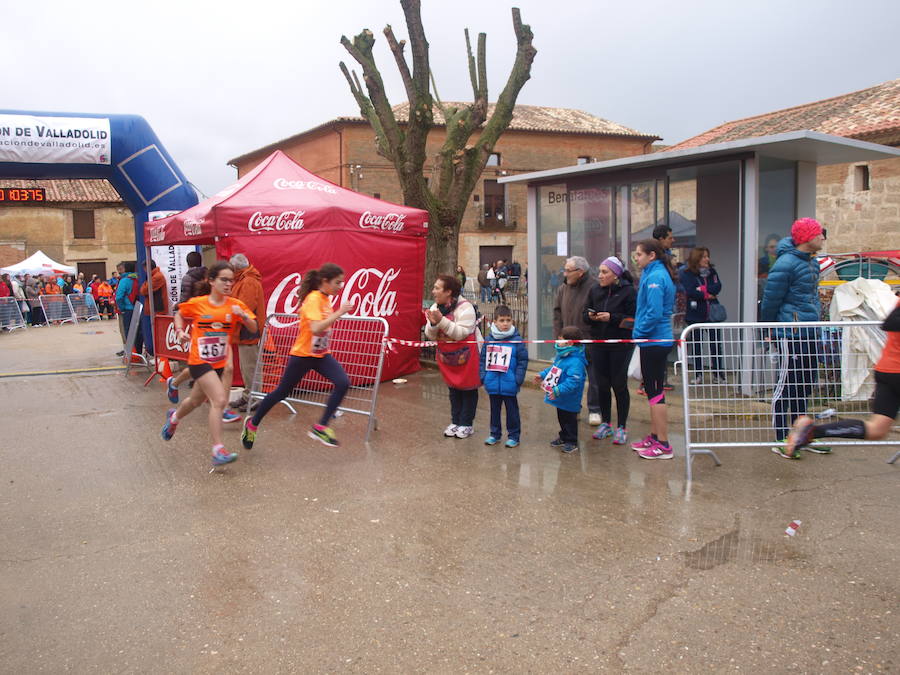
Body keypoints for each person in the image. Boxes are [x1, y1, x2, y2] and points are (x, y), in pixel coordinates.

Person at [241, 263, 353, 450]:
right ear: (325, 281)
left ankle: (321, 427)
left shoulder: (326, 299)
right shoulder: (313, 299)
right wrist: (340, 313)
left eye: (342, 283)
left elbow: (322, 329)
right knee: (281, 392)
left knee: (343, 382)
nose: (340, 287)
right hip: (302, 355)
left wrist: (335, 315)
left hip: (320, 355)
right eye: (337, 283)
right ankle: (253, 423)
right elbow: (316, 328)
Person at [161, 261, 257, 466]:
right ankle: (217, 449)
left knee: (195, 401)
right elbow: (179, 313)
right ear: (211, 281)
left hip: (218, 362)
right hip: (199, 361)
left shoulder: (235, 305)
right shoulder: (199, 303)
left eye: (231, 280)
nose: (228, 284)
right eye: (224, 280)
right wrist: (179, 331)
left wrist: (245, 319)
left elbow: (254, 325)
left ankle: (174, 418)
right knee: (219, 400)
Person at [786, 298, 900, 455]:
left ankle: (812, 431)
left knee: (877, 429)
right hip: (894, 371)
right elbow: (891, 324)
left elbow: (889, 323)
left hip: (887, 370)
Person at [761, 218, 829, 458]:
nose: (823, 236)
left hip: (809, 331)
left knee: (804, 384)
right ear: (806, 238)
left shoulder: (813, 263)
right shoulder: (786, 263)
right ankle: (781, 437)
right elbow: (771, 300)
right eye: (819, 233)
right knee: (786, 385)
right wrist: (767, 329)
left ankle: (800, 436)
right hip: (791, 333)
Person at [630, 239, 676, 460]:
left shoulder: (656, 277)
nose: (636, 258)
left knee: (656, 393)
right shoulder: (652, 273)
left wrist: (639, 332)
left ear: (652, 255)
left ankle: (664, 444)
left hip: (655, 341)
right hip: (651, 340)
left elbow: (654, 312)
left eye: (639, 254)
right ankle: (655, 436)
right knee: (651, 391)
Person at [584, 256, 637, 445]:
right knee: (602, 384)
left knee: (619, 384)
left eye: (604, 272)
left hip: (620, 345)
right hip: (598, 343)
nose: (600, 275)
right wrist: (591, 316)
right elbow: (585, 313)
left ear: (616, 275)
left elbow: (632, 320)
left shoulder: (629, 292)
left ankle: (622, 426)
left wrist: (612, 318)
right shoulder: (595, 290)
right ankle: (606, 423)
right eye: (599, 271)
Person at [424, 274, 481, 439]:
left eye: (437, 288)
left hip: (468, 357)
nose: (433, 291)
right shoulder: (436, 306)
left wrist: (440, 321)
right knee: (453, 389)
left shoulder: (466, 307)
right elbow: (429, 334)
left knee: (468, 389)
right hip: (448, 357)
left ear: (448, 292)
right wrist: (434, 324)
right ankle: (456, 421)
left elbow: (461, 333)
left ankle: (467, 424)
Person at [553, 255, 601, 425]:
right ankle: (574, 408)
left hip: (589, 340)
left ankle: (595, 409)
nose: (565, 273)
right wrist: (559, 337)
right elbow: (557, 314)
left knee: (593, 377)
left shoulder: (595, 287)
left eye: (568, 270)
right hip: (567, 342)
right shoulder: (562, 289)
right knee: (570, 377)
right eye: (564, 269)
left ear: (580, 272)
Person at [534, 325, 588, 454]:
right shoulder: (562, 356)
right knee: (562, 418)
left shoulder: (576, 362)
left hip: (570, 397)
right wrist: (542, 374)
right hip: (560, 396)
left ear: (569, 343)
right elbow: (554, 368)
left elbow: (573, 381)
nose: (557, 342)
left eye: (560, 340)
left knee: (570, 420)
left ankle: (571, 441)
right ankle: (563, 436)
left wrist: (558, 390)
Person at [479, 305, 528, 447]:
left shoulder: (517, 340)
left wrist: (517, 379)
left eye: (508, 320)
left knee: (512, 412)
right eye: (502, 320)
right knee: (494, 411)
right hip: (493, 383)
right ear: (494, 321)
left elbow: (522, 361)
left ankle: (514, 436)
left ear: (512, 321)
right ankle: (494, 434)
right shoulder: (489, 340)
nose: (505, 323)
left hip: (510, 383)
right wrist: (484, 377)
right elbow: (482, 360)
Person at [679, 247, 725, 385]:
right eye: (704, 257)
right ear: (697, 258)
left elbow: (717, 287)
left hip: (713, 314)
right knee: (697, 345)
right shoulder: (687, 273)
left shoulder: (712, 272)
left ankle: (719, 375)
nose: (707, 259)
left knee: (716, 345)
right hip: (695, 314)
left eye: (707, 256)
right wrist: (707, 294)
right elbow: (691, 291)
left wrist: (703, 290)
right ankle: (698, 375)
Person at [228, 253, 265, 412]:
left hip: (248, 329)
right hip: (247, 328)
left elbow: (244, 307)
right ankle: (249, 395)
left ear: (235, 268)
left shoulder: (247, 281)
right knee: (247, 366)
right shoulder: (246, 279)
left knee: (250, 366)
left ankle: (255, 397)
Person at [115, 262, 143, 354]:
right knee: (138, 332)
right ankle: (138, 352)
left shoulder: (124, 280)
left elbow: (119, 297)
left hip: (128, 309)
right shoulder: (138, 278)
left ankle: (131, 353)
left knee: (129, 332)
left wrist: (122, 308)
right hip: (138, 308)